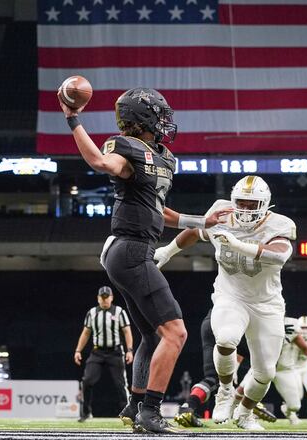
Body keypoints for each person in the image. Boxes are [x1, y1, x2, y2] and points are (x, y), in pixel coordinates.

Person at [58, 87, 231, 433]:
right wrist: (73, 118)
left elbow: (158, 209)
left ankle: (135, 405)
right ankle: (151, 411)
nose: (166, 119)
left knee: (152, 336)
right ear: (143, 117)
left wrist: (202, 221)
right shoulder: (127, 147)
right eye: (160, 113)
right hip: (131, 249)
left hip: (132, 251)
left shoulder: (164, 157)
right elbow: (100, 162)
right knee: (176, 333)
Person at [155, 175, 297, 430]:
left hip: (267, 304)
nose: (244, 209)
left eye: (252, 204)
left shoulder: (280, 224)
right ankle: (224, 391)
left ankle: (244, 414)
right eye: (241, 202)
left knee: (265, 373)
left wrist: (239, 245)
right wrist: (168, 250)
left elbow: (279, 256)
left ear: (265, 204)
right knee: (226, 337)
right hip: (231, 295)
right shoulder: (221, 212)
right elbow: (196, 231)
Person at [172, 308, 276, 428]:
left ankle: (188, 406)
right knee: (265, 362)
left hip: (209, 321)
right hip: (229, 322)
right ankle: (244, 402)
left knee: (213, 378)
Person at [74, 286, 133, 422]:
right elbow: (86, 332)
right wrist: (78, 350)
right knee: (87, 380)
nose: (105, 300)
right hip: (98, 352)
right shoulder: (92, 313)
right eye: (102, 297)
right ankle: (86, 412)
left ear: (112, 298)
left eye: (107, 297)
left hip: (115, 352)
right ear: (98, 298)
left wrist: (129, 350)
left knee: (120, 384)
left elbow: (127, 331)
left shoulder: (119, 312)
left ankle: (128, 413)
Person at [272, 316, 307, 425]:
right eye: (302, 327)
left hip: (306, 366)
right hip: (293, 368)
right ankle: (290, 411)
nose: (305, 330)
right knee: (298, 396)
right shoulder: (292, 335)